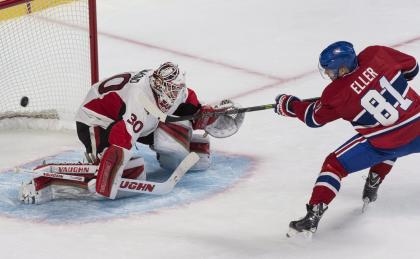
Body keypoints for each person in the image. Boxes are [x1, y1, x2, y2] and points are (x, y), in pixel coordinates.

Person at [20, 62, 243, 204]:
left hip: (132, 119)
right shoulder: (140, 99)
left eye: (177, 89)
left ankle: (178, 149)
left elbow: (191, 111)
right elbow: (121, 137)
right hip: (96, 121)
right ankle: (54, 184)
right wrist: (109, 173)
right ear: (159, 87)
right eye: (171, 90)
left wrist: (209, 117)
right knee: (130, 172)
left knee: (182, 147)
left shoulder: (178, 89)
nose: (176, 93)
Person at [274, 41, 420, 236]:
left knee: (334, 165)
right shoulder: (376, 53)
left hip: (385, 143)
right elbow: (412, 68)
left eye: (331, 70)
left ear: (343, 69)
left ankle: (313, 216)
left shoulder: (335, 94)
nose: (327, 74)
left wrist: (289, 105)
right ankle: (375, 178)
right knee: (397, 136)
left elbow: (313, 118)